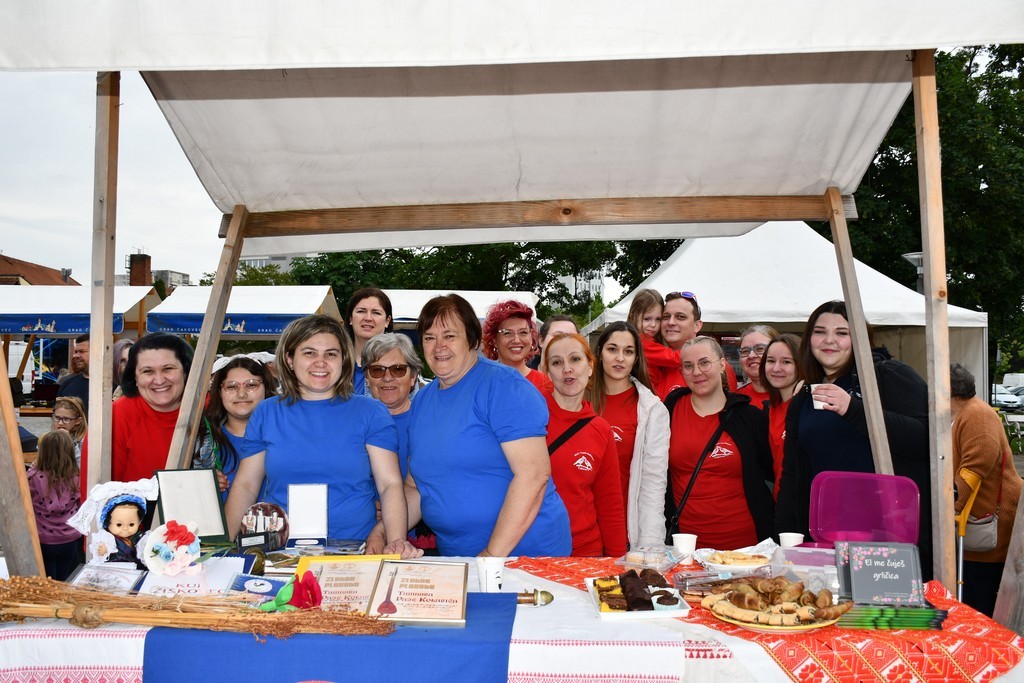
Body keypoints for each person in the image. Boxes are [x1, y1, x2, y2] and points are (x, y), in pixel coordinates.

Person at [382, 293, 571, 557]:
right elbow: (416, 487)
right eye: (429, 337)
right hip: (458, 556)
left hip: (525, 553)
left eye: (449, 335)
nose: (439, 346)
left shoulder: (505, 387)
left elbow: (534, 476)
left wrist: (492, 555)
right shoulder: (423, 400)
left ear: (473, 340)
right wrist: (388, 534)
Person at [225, 315, 418, 558]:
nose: (321, 362)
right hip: (279, 552)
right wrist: (225, 548)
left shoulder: (370, 412)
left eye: (330, 354)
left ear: (343, 360)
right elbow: (245, 485)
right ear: (289, 359)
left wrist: (397, 541)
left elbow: (389, 485)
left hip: (353, 550)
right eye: (309, 353)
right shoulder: (267, 412)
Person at [775, 301, 934, 580]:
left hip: (887, 535)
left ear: (860, 337)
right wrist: (787, 536)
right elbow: (794, 473)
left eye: (842, 333)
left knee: (875, 618)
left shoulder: (888, 376)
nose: (829, 341)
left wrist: (854, 409)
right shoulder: (804, 397)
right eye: (820, 331)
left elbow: (924, 439)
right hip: (825, 535)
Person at [665, 336, 774, 550]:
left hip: (746, 547)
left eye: (705, 362)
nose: (697, 372)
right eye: (688, 366)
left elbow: (771, 473)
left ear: (722, 364)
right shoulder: (668, 410)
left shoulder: (749, 417)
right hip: (685, 547)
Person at [542, 332, 627, 557]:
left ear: (590, 367)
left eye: (575, 359)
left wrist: (617, 561)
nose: (567, 369)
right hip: (535, 548)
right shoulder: (531, 417)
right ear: (547, 373)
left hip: (586, 551)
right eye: (557, 362)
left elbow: (609, 502)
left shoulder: (601, 430)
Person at [80, 333, 194, 501]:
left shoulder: (207, 410)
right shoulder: (114, 419)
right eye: (148, 371)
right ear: (134, 377)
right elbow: (94, 496)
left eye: (168, 369)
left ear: (185, 371)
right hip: (132, 524)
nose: (159, 380)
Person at [950, 362, 1022, 616]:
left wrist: (949, 505)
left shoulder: (977, 415)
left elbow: (973, 468)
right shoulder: (968, 412)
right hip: (979, 521)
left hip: (989, 521)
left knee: (981, 601)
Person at [590, 321, 669, 549]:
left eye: (628, 351)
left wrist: (650, 544)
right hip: (579, 527)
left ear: (636, 358)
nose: (620, 358)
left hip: (625, 530)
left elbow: (653, 483)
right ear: (600, 353)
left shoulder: (651, 409)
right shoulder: (579, 399)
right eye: (612, 349)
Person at [192, 355, 277, 501]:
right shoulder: (199, 439)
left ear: (266, 388)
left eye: (251, 385)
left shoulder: (285, 436)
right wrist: (200, 483)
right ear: (219, 392)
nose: (242, 394)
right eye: (232, 386)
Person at [361, 333, 423, 478]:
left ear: (413, 377)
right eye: (377, 370)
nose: (388, 378)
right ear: (367, 379)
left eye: (398, 369)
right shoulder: (353, 423)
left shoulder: (427, 422)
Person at [657, 291, 738, 399]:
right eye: (666, 317)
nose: (670, 322)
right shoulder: (652, 363)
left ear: (697, 325)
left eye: (680, 317)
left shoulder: (716, 366)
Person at [27, 430, 83, 581]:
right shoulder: (77, 478)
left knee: (48, 581)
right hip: (70, 538)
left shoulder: (33, 478)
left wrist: (34, 467)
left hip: (44, 539)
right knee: (64, 579)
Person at [758, 333, 802, 499]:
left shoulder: (810, 407)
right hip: (780, 504)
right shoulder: (770, 409)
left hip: (805, 507)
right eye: (770, 361)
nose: (776, 368)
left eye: (786, 362)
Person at [482, 299, 553, 393]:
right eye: (507, 333)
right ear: (494, 340)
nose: (516, 340)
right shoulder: (481, 383)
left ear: (531, 337)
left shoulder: (546, 385)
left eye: (523, 332)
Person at [627, 289, 679, 395]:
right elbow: (674, 358)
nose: (653, 325)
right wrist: (696, 348)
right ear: (633, 317)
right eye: (647, 319)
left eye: (658, 319)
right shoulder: (642, 343)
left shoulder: (640, 340)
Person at [346, 288, 394, 396]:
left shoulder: (401, 365)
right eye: (361, 311)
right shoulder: (335, 363)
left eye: (376, 313)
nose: (368, 318)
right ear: (350, 318)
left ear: (387, 321)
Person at [735, 324, 779, 409]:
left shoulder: (794, 394)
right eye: (745, 351)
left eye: (760, 349)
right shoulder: (737, 399)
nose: (751, 356)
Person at [58, 333, 90, 415]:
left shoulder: (111, 386)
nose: (76, 356)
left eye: (81, 352)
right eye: (75, 352)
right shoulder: (67, 384)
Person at [51, 395, 87, 468]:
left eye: (66, 419)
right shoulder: (51, 437)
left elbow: (82, 468)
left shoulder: (84, 440)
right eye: (57, 418)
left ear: (78, 421)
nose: (60, 423)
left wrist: (71, 444)